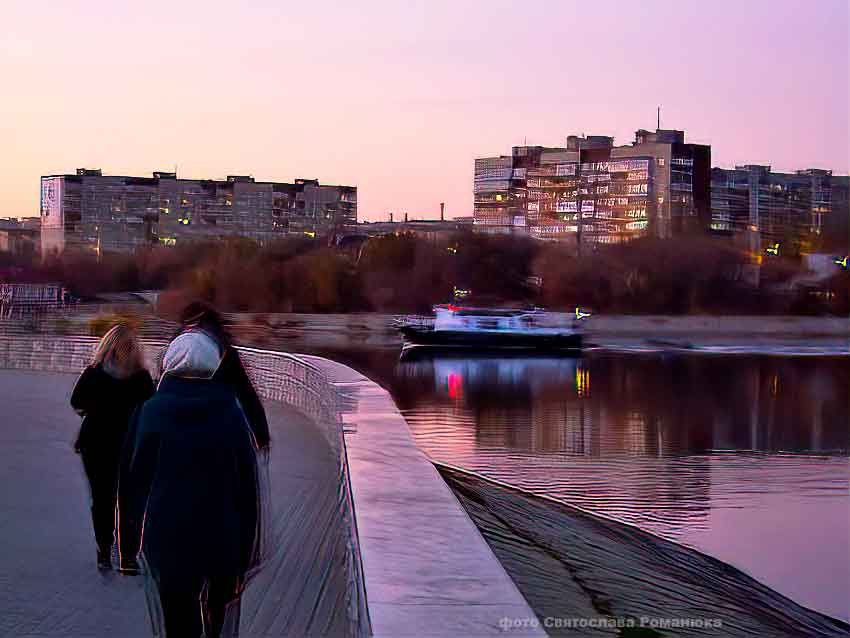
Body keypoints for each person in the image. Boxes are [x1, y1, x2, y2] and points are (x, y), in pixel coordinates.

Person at [120, 331, 262, 638]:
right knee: (219, 617)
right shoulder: (232, 414)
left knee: (177, 618)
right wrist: (247, 551)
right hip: (222, 539)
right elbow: (247, 488)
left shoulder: (150, 412)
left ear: (170, 364)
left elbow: (133, 482)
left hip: (167, 537)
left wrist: (128, 544)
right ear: (213, 366)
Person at [70, 323, 154, 572]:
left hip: (95, 444)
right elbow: (151, 411)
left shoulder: (94, 373)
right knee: (130, 500)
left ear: (106, 345)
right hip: (132, 445)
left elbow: (77, 403)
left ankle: (104, 552)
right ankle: (128, 557)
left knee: (102, 499)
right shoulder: (142, 378)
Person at [176, 301, 270, 450]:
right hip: (220, 428)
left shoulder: (176, 349)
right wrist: (260, 435)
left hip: (180, 431)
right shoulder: (224, 348)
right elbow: (245, 393)